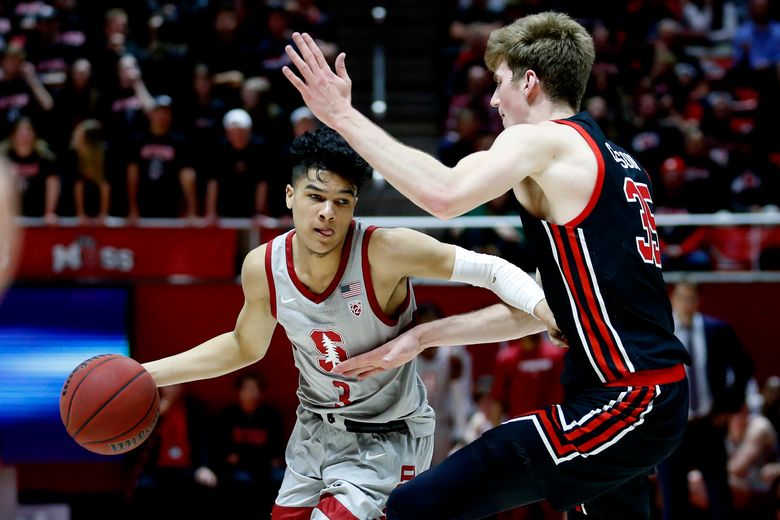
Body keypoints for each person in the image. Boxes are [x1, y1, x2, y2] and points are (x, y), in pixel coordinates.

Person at [284, 11, 691, 519]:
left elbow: (443, 194)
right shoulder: (613, 160)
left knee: (416, 507)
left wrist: (341, 116)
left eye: (499, 83)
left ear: (530, 81)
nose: (494, 100)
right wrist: (420, 338)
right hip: (645, 399)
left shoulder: (543, 140)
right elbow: (547, 307)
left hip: (627, 399)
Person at [141, 126, 558, 519]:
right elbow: (243, 346)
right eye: (315, 196)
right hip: (313, 434)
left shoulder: (384, 250)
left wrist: (544, 309)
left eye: (342, 200)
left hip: (388, 437)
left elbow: (490, 269)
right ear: (289, 195)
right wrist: (146, 374)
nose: (327, 213)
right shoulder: (263, 265)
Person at [657, 281, 754, 520]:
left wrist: (729, 407)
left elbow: (744, 366)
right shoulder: (662, 332)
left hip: (708, 424)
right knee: (673, 496)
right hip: (674, 427)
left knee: (719, 493)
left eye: (691, 298)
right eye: (681, 297)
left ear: (699, 301)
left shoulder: (717, 330)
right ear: (672, 299)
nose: (686, 303)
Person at [216, 372, 285, 518]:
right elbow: (225, 453)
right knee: (238, 481)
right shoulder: (227, 415)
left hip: (264, 470)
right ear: (239, 392)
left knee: (280, 479)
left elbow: (275, 453)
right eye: (248, 388)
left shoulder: (272, 416)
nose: (252, 393)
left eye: (256, 388)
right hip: (237, 470)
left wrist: (247, 457)